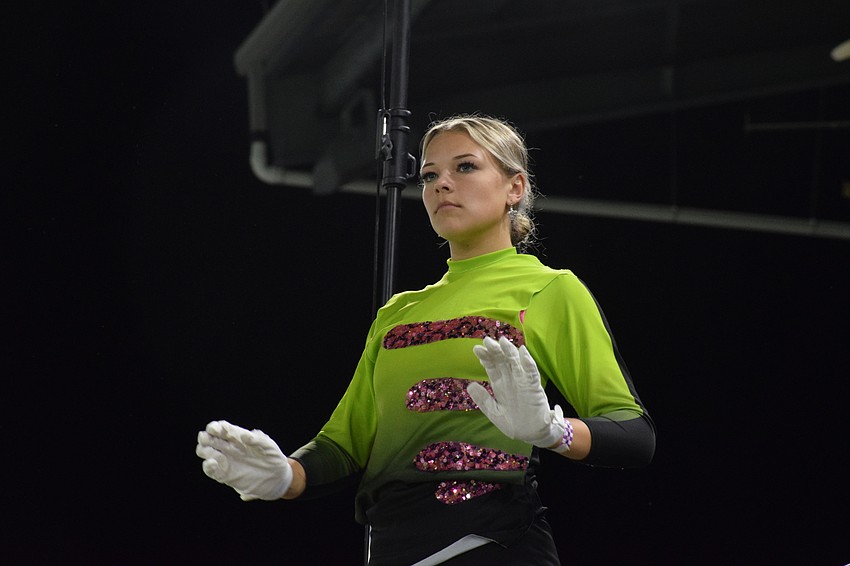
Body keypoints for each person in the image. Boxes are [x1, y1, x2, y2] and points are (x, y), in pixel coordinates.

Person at [196, 114, 656, 565]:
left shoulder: (548, 288)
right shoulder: (397, 313)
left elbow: (635, 435)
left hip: (493, 545)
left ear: (514, 188)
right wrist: (285, 476)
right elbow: (345, 443)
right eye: (429, 175)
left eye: (466, 166)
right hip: (393, 549)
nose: (441, 184)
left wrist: (553, 432)